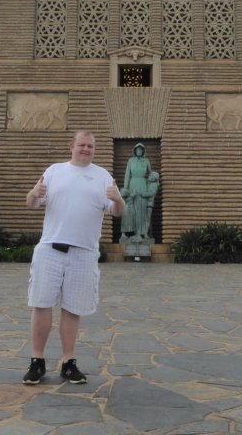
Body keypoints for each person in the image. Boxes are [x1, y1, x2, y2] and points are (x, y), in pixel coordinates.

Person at [23, 130, 125, 385]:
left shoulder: (102, 176)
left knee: (72, 309)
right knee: (42, 304)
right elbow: (32, 204)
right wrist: (34, 193)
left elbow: (117, 212)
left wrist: (119, 199)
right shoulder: (55, 171)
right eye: (82, 145)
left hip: (84, 253)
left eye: (91, 146)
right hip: (50, 249)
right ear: (72, 146)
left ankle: (69, 362)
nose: (86, 149)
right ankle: (37, 361)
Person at [121, 143, 156, 242]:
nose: (139, 151)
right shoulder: (131, 161)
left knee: (143, 209)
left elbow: (151, 174)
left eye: (141, 150)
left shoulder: (146, 161)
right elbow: (127, 174)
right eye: (137, 150)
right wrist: (126, 188)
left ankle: (143, 232)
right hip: (133, 185)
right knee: (133, 210)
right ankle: (133, 232)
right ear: (135, 151)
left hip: (143, 185)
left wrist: (152, 186)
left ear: (143, 151)